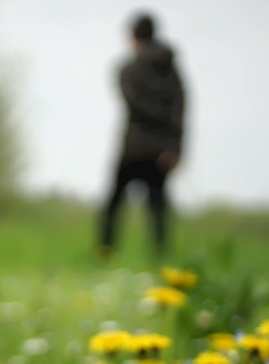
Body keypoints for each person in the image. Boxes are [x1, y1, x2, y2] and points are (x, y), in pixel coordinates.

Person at [99, 13, 185, 261]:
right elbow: (180, 108)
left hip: (134, 145)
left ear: (133, 36)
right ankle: (160, 257)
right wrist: (175, 147)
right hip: (161, 150)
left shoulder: (127, 70)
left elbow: (132, 104)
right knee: (157, 206)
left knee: (114, 203)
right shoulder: (172, 71)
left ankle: (105, 251)